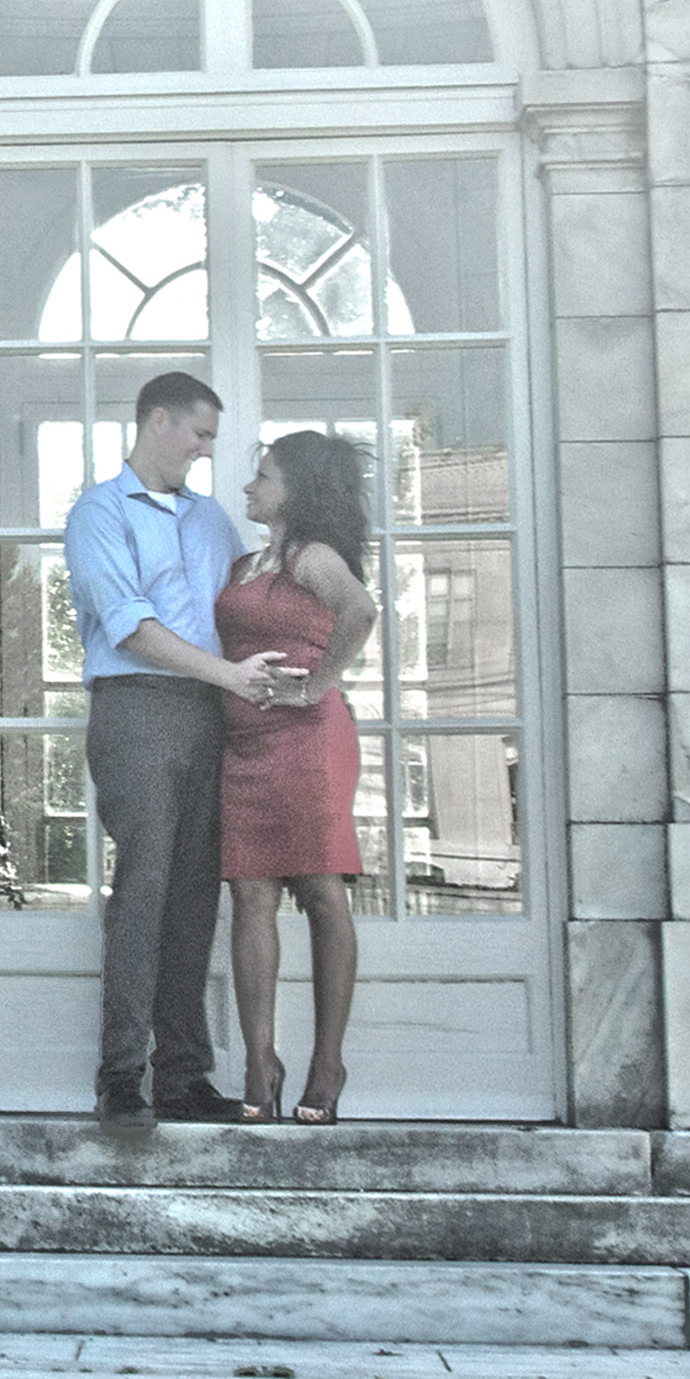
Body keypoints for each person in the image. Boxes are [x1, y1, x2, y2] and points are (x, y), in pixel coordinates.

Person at [60, 370, 297, 1124]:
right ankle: (120, 1079)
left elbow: (244, 607)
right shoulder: (98, 512)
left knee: (195, 897)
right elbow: (129, 626)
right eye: (199, 434)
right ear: (157, 420)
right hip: (136, 709)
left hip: (211, 714)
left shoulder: (209, 521)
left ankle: (183, 1079)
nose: (205, 449)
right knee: (144, 889)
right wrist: (229, 675)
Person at [219, 430, 380, 1124]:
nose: (249, 487)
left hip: (309, 742)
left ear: (298, 489)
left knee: (319, 890)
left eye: (264, 476)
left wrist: (315, 686)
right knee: (249, 897)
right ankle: (260, 1064)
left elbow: (360, 611)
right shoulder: (243, 564)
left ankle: (327, 1065)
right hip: (242, 747)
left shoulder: (312, 557)